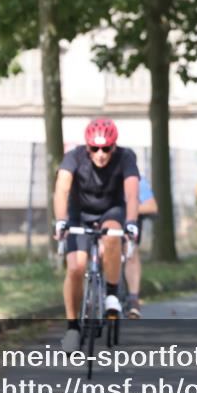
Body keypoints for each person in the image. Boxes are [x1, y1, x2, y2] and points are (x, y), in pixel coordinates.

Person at [53, 118, 139, 353]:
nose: (100, 154)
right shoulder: (74, 157)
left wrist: (131, 223)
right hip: (79, 213)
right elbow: (61, 190)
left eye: (106, 148)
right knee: (75, 268)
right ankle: (72, 328)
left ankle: (111, 294)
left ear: (114, 146)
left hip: (111, 210)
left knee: (112, 237)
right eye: (95, 148)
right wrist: (60, 220)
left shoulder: (126, 157)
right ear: (87, 147)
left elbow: (132, 194)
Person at [124, 175, 158, 318]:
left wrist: (129, 209)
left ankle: (133, 299)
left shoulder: (136, 180)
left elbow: (152, 206)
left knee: (131, 252)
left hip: (128, 223)